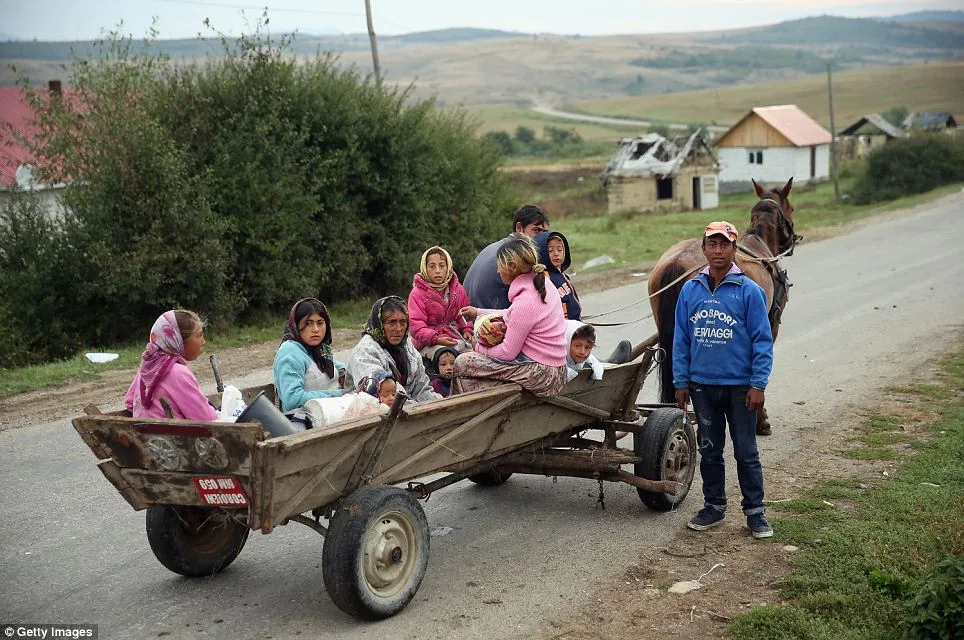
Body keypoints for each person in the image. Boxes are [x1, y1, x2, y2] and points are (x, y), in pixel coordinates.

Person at [673, 220, 775, 539]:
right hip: (703, 387)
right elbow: (681, 339)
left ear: (734, 250)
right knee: (710, 449)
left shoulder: (750, 292)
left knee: (746, 451)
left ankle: (755, 512)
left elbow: (762, 341)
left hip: (741, 388)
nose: (718, 251)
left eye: (724, 245)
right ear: (703, 249)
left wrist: (758, 384)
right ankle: (713, 506)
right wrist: (681, 381)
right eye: (712, 245)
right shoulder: (690, 290)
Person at [454, 234, 568, 397]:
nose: (498, 270)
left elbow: (507, 353)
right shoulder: (542, 283)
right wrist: (478, 312)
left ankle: (462, 413)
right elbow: (515, 315)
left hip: (542, 374)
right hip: (554, 368)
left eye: (500, 265)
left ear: (512, 268)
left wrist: (477, 347)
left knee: (463, 362)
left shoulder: (525, 301)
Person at [125, 310, 218, 421]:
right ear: (178, 341)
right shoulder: (178, 372)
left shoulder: (148, 367)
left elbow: (130, 402)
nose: (203, 342)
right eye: (199, 335)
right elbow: (206, 418)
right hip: (172, 436)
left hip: (143, 435)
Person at [346, 296, 443, 403]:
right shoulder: (365, 352)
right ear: (380, 324)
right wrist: (417, 408)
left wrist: (440, 404)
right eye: (392, 322)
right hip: (371, 411)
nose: (398, 329)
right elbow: (381, 396)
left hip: (406, 408)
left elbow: (421, 389)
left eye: (402, 322)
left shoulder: (407, 347)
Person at [463, 204, 550, 310]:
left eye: (544, 233)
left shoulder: (497, 247)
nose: (541, 237)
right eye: (536, 230)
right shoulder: (517, 255)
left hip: (471, 316)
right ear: (519, 228)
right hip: (486, 320)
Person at [273, 298, 346, 413]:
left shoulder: (318, 349)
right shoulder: (290, 352)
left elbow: (318, 364)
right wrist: (338, 394)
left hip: (331, 413)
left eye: (320, 323)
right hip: (305, 423)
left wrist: (342, 370)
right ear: (296, 325)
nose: (315, 329)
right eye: (308, 323)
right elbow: (292, 399)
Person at [408, 245, 473, 362]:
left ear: (448, 267)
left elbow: (464, 314)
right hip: (428, 342)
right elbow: (416, 326)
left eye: (442, 265)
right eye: (432, 266)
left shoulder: (458, 290)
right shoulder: (417, 293)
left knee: (474, 355)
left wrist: (467, 330)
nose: (437, 270)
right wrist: (436, 339)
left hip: (453, 336)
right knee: (446, 356)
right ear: (424, 268)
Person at [534, 230, 581, 320]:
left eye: (560, 249)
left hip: (575, 324)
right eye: (550, 250)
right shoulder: (543, 278)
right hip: (561, 328)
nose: (556, 253)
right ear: (540, 253)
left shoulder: (562, 275)